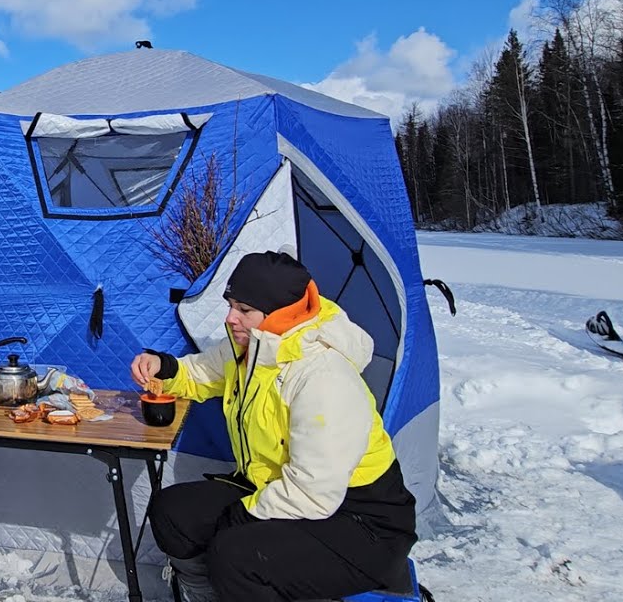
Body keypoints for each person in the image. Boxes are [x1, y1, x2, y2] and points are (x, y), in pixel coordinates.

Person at [130, 251, 416, 602]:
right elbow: (202, 372)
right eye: (230, 304)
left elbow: (314, 491)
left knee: (236, 555)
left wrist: (242, 515)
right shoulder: (252, 347)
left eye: (244, 310)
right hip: (277, 489)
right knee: (173, 513)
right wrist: (164, 367)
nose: (230, 318)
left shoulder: (323, 377)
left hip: (361, 522)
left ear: (280, 315)